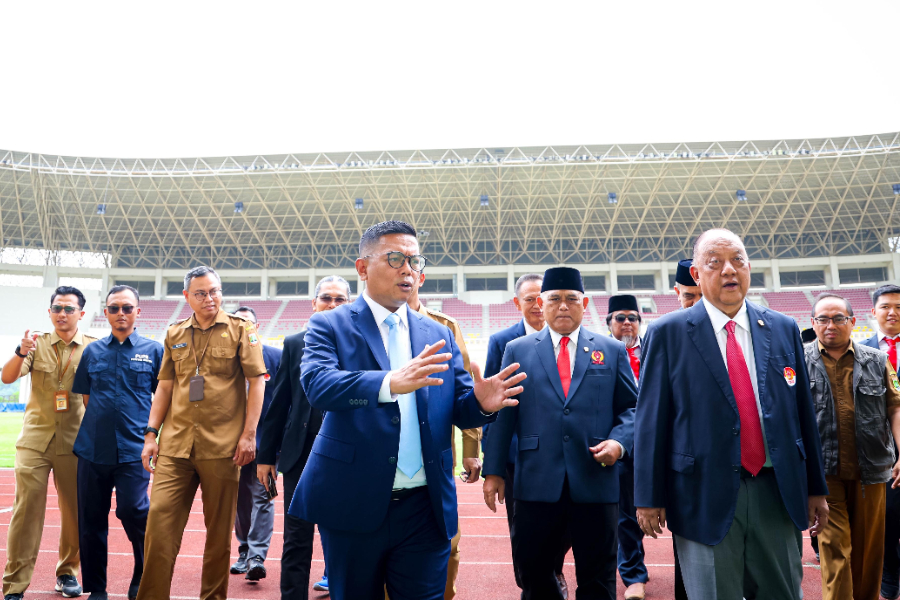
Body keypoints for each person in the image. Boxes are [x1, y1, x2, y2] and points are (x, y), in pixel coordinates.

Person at [290, 220, 525, 600]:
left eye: (415, 261)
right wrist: (387, 383)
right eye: (396, 258)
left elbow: (459, 408)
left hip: (424, 507)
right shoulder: (328, 324)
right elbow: (319, 386)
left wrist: (481, 404)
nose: (408, 269)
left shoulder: (438, 333)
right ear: (362, 267)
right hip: (354, 500)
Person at [634, 228, 829, 599]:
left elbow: (803, 412)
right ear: (695, 274)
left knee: (783, 592)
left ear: (749, 268)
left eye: (737, 260)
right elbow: (650, 422)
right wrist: (648, 494)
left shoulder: (783, 328)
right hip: (702, 493)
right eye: (715, 263)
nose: (728, 270)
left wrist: (816, 486)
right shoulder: (668, 333)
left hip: (776, 489)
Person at [483, 267, 638, 600]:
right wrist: (494, 470)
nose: (563, 306)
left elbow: (632, 409)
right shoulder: (517, 350)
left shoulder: (610, 351)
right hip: (536, 482)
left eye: (571, 299)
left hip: (595, 480)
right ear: (541, 303)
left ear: (585, 303)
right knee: (535, 575)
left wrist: (619, 442)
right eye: (554, 299)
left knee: (597, 579)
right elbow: (503, 412)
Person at [137, 266, 267, 600]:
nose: (210, 298)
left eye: (215, 291)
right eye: (201, 293)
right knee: (159, 529)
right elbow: (165, 388)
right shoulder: (174, 333)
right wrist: (151, 434)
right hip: (175, 446)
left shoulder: (242, 330)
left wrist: (249, 434)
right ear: (186, 297)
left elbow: (256, 383)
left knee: (218, 538)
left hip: (224, 448)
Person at [257, 275, 351, 599]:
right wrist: (266, 456)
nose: (332, 304)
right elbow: (279, 402)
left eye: (340, 299)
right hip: (301, 453)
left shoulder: (361, 342)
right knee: (296, 536)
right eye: (326, 298)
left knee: (345, 533)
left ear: (349, 305)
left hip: (347, 452)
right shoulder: (295, 343)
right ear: (313, 304)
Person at [0, 286, 97, 600]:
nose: (62, 314)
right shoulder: (35, 344)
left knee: (74, 512)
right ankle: (14, 584)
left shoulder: (94, 349)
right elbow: (7, 377)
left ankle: (67, 573)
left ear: (81, 313)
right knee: (25, 511)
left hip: (75, 442)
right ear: (49, 312)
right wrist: (19, 350)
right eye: (57, 308)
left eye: (69, 309)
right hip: (35, 440)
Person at [805, 292, 900, 600]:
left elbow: (895, 408)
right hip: (823, 475)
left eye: (838, 318)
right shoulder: (798, 361)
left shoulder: (878, 360)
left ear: (853, 322)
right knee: (835, 552)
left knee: (868, 554)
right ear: (813, 323)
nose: (830, 325)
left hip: (871, 471)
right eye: (822, 319)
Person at [482, 273, 572, 596]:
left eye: (541, 298)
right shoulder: (503, 342)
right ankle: (533, 582)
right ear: (517, 303)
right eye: (529, 299)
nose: (537, 305)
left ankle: (550, 572)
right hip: (518, 457)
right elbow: (495, 406)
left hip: (562, 456)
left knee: (564, 526)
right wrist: (492, 463)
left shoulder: (571, 336)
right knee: (523, 529)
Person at [70, 285, 163, 600]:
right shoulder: (92, 352)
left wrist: (152, 437)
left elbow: (163, 398)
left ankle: (142, 571)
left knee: (133, 510)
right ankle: (98, 588)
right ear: (105, 312)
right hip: (92, 450)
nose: (120, 313)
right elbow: (86, 397)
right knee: (91, 521)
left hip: (134, 451)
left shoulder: (154, 351)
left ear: (138, 311)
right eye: (114, 308)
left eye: (126, 307)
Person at [405, 271, 483, 600]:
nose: (403, 276)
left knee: (447, 545)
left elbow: (463, 392)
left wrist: (471, 449)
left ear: (420, 279)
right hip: (383, 456)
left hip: (436, 456)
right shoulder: (360, 325)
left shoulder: (445, 327)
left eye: (410, 270)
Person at [229, 306, 282, 582]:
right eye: (238, 323)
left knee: (266, 497)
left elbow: (285, 402)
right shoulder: (226, 359)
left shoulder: (276, 357)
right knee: (240, 500)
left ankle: (257, 557)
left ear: (257, 327)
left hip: (267, 446)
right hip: (232, 445)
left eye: (248, 323)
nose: (243, 328)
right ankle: (244, 550)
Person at [605, 294, 647, 600]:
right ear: (609, 324)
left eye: (633, 317)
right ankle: (634, 575)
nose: (627, 323)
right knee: (627, 515)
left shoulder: (656, 351)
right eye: (620, 318)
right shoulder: (600, 354)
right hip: (623, 447)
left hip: (660, 445)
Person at [863, 284, 900, 600]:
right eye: (886, 306)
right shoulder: (858, 352)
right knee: (885, 518)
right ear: (873, 312)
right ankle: (889, 575)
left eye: (899, 307)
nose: (893, 312)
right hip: (880, 451)